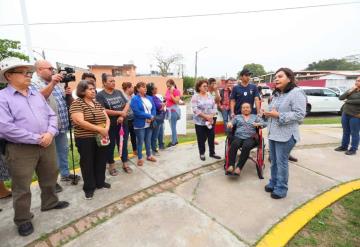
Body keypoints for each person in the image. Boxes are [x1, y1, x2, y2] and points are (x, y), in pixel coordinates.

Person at [0, 57, 69, 236]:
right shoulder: (3, 98)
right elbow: (6, 128)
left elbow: (51, 115)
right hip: (20, 148)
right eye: (23, 72)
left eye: (29, 72)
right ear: (8, 76)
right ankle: (23, 219)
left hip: (47, 142)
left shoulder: (35, 93)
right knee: (21, 186)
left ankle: (50, 202)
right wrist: (36, 138)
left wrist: (50, 133)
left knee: (50, 175)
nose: (28, 75)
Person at [31, 60, 80, 193]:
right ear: (40, 70)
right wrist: (53, 83)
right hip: (47, 128)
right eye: (50, 68)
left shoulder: (57, 84)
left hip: (62, 125)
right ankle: (51, 182)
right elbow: (38, 99)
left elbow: (62, 101)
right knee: (48, 158)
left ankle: (64, 174)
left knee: (63, 151)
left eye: (53, 68)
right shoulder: (34, 83)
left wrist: (68, 94)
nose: (53, 70)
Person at [263, 68, 306, 199]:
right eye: (275, 77)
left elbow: (300, 115)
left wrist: (278, 115)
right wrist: (265, 114)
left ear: (289, 78)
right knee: (274, 161)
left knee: (281, 162)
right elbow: (273, 112)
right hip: (273, 133)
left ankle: (281, 188)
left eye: (280, 76)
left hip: (286, 135)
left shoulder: (296, 92)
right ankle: (273, 182)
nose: (276, 79)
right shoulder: (276, 94)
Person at [70, 80, 111, 200]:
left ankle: (100, 182)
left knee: (101, 160)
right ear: (82, 91)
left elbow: (106, 118)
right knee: (87, 163)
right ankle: (89, 187)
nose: (93, 91)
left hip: (101, 137)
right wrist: (99, 129)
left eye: (94, 89)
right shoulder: (77, 103)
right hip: (85, 138)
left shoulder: (96, 103)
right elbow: (79, 122)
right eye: (90, 89)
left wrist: (106, 129)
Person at [96, 74, 132, 175]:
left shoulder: (118, 92)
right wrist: (119, 113)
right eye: (111, 81)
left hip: (122, 124)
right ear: (104, 83)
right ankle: (111, 165)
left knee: (123, 144)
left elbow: (127, 104)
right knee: (110, 146)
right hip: (110, 125)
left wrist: (122, 115)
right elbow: (103, 110)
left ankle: (125, 163)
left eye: (114, 81)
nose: (113, 83)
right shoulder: (100, 95)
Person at [226, 103, 266, 176]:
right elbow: (231, 122)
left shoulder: (255, 117)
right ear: (241, 109)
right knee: (234, 144)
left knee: (246, 146)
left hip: (251, 138)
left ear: (250, 109)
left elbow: (264, 123)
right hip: (238, 136)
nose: (245, 109)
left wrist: (258, 124)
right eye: (243, 108)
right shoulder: (237, 117)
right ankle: (231, 165)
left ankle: (239, 167)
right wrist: (229, 123)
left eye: (247, 107)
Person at [191, 80, 221, 161]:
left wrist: (210, 116)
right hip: (199, 122)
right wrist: (205, 116)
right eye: (204, 86)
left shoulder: (210, 95)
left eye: (206, 86)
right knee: (201, 138)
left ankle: (212, 153)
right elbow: (195, 109)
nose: (206, 87)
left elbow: (214, 106)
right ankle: (202, 153)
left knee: (211, 137)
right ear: (199, 87)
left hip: (210, 121)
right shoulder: (195, 97)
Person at [130, 82, 157, 166]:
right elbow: (137, 112)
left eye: (145, 87)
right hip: (140, 124)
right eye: (142, 87)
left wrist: (151, 117)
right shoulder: (135, 99)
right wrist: (149, 116)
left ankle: (149, 155)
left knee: (148, 140)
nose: (145, 88)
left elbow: (154, 109)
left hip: (149, 123)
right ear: (138, 89)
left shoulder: (149, 98)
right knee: (140, 141)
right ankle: (140, 158)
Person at [335, 76, 360, 155]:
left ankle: (353, 149)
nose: (357, 82)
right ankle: (344, 146)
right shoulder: (352, 90)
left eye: (359, 81)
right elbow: (341, 98)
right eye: (356, 80)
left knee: (354, 133)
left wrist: (348, 101)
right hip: (345, 113)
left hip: (356, 115)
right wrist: (350, 91)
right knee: (346, 131)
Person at [146, 83, 166, 155]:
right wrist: (163, 106)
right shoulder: (151, 98)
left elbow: (161, 106)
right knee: (154, 135)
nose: (157, 89)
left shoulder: (155, 97)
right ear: (151, 90)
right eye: (155, 88)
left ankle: (158, 147)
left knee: (159, 134)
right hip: (156, 118)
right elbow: (159, 108)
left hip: (160, 119)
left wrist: (162, 105)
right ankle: (154, 150)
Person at [122, 82, 137, 155]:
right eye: (132, 87)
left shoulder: (133, 96)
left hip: (133, 119)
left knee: (134, 136)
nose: (133, 89)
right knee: (125, 138)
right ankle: (125, 154)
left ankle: (135, 150)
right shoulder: (123, 96)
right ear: (128, 88)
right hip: (125, 120)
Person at [165, 79, 181, 147]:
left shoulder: (176, 91)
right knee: (172, 127)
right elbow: (166, 99)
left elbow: (177, 101)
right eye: (167, 86)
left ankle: (173, 142)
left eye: (169, 86)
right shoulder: (167, 91)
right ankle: (176, 140)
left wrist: (171, 94)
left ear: (173, 85)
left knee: (173, 127)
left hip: (174, 111)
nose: (168, 87)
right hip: (169, 111)